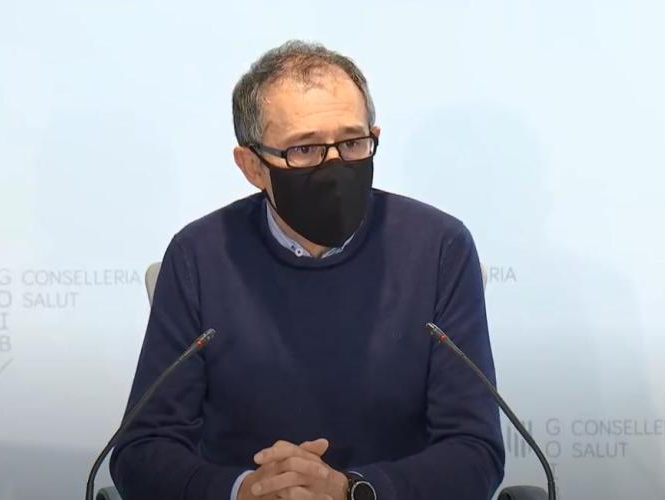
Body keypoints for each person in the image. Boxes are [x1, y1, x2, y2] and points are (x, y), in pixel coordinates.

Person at [110, 40, 505, 500]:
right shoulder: (199, 255)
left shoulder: (439, 247)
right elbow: (142, 451)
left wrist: (350, 490)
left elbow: (475, 452)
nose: (334, 166)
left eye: (352, 143)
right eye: (305, 149)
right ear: (252, 166)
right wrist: (245, 490)